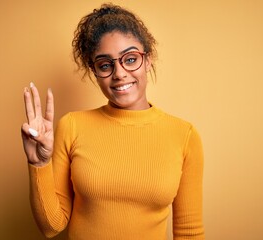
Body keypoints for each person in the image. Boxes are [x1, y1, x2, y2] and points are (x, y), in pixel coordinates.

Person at [21, 3, 204, 240]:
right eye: (105, 64)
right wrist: (39, 164)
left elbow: (190, 232)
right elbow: (51, 226)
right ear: (94, 70)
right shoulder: (72, 126)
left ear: (147, 60)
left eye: (130, 59)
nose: (119, 73)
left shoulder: (184, 136)